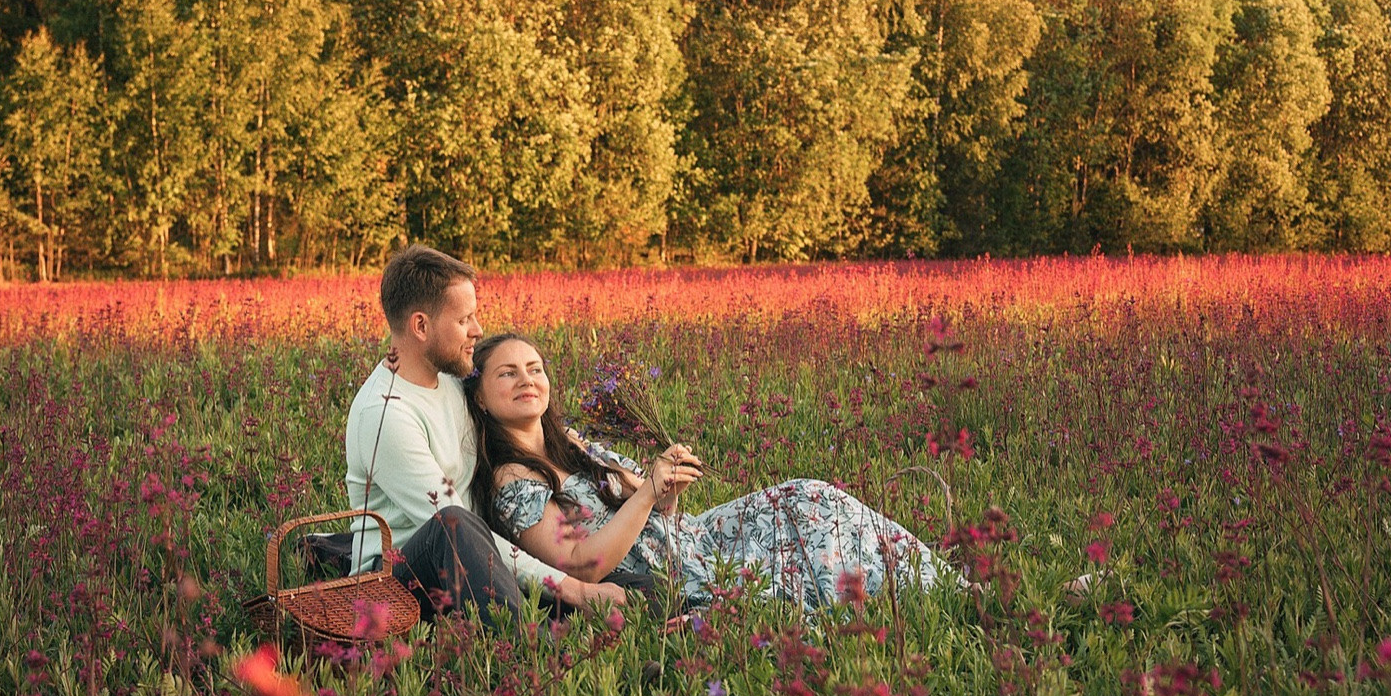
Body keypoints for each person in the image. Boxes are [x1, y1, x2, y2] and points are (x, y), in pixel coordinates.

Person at [465, 328, 954, 613]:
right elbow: (581, 563)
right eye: (507, 373)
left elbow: (652, 510)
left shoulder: (569, 442)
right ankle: (910, 595)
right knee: (803, 540)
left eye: (534, 368)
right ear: (481, 398)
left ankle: (938, 582)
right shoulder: (514, 479)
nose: (527, 379)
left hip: (694, 538)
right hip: (669, 575)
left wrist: (666, 491)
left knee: (808, 498)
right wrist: (648, 492)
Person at [342, 247, 627, 625]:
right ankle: (535, 652)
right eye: (464, 319)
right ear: (421, 326)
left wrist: (580, 453)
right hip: (398, 579)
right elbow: (456, 528)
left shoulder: (451, 383)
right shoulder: (386, 414)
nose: (477, 329)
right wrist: (573, 588)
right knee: (454, 525)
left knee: (636, 588)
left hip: (478, 563)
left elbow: (516, 424)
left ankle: (642, 625)